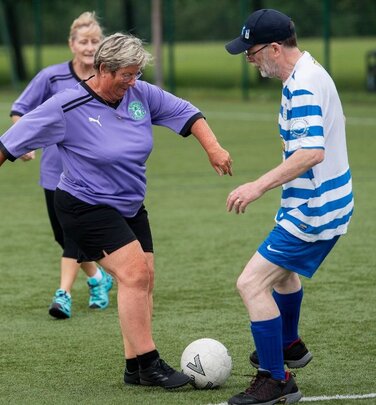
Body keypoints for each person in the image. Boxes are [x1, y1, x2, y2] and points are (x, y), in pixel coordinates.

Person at [0, 33, 233, 389]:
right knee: (134, 274)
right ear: (104, 69)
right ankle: (151, 365)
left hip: (129, 204)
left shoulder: (140, 94)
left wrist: (213, 149)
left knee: (145, 278)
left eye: (137, 73)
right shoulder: (66, 106)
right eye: (127, 74)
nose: (133, 81)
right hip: (84, 206)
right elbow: (7, 144)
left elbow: (186, 112)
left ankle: (134, 367)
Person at [224, 9, 353, 405]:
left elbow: (312, 151)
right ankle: (290, 344)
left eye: (253, 51)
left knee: (250, 284)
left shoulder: (304, 85)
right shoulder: (307, 73)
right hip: (320, 203)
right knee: (282, 275)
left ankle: (276, 380)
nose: (249, 58)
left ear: (275, 48)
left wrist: (257, 185)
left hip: (314, 210)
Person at [10, 11, 113, 319]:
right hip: (53, 173)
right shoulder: (51, 77)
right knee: (62, 235)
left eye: (95, 41)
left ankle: (63, 295)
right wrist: (22, 143)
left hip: (89, 175)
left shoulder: (104, 79)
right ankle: (98, 278)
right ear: (71, 44)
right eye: (84, 41)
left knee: (72, 236)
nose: (89, 46)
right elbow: (20, 111)